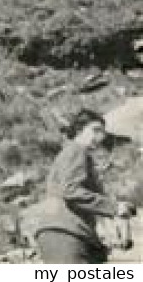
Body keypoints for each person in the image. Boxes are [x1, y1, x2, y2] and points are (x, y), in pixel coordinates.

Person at [28, 109, 135, 264]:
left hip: (71, 234)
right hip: (64, 233)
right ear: (79, 130)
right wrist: (114, 207)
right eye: (95, 130)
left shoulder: (77, 155)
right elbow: (70, 190)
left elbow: (81, 199)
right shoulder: (76, 150)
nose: (100, 136)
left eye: (103, 132)